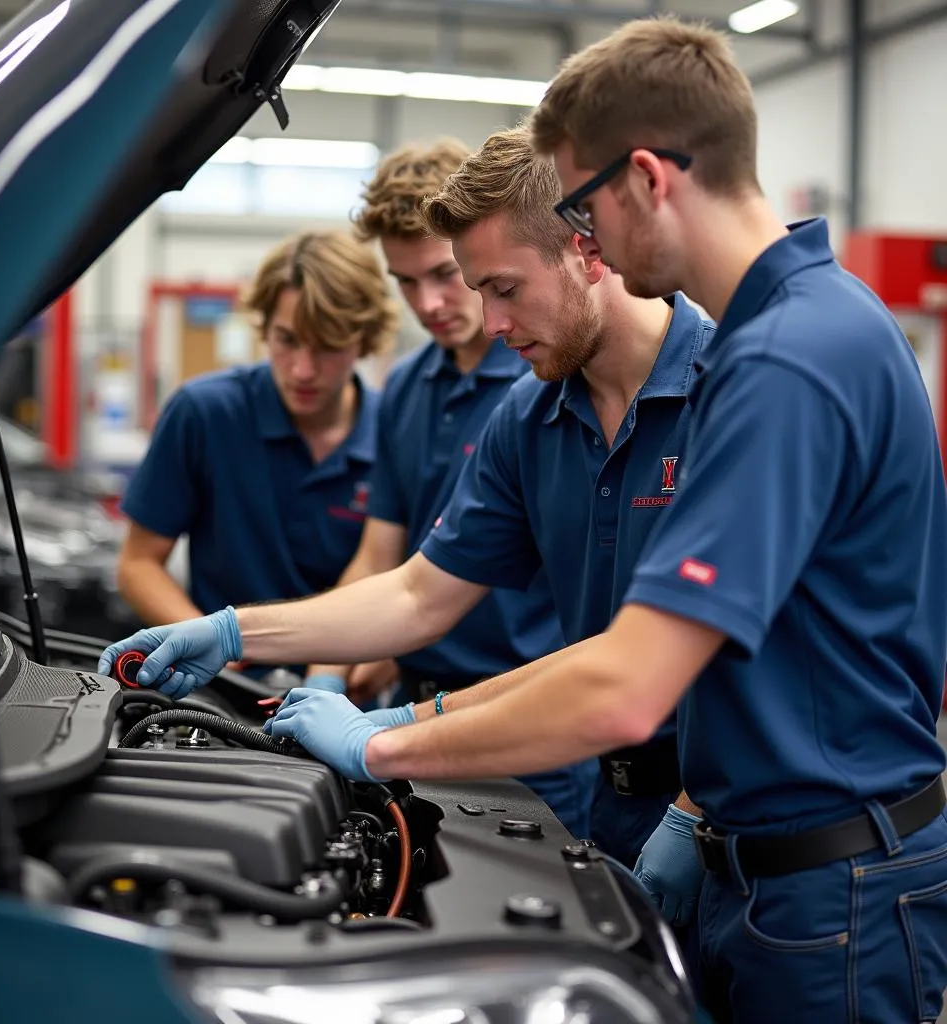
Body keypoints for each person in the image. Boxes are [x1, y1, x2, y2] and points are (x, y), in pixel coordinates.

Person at [189, 17, 944, 1024]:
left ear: (643, 181)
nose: (585, 239)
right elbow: (493, 611)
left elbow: (628, 684)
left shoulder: (779, 363)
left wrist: (382, 748)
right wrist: (251, 635)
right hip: (754, 870)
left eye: (583, 210)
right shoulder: (787, 337)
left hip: (824, 891)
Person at [98, 124, 713, 874]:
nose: (485, 322)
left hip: (750, 823)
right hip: (593, 787)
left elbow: (750, 649)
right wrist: (233, 633)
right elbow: (418, 591)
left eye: (501, 289)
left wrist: (696, 812)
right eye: (471, 288)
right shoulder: (530, 414)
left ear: (589, 251)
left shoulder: (735, 390)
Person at [297, 138, 596, 837]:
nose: (429, 304)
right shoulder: (405, 389)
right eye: (405, 283)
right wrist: (325, 672)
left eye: (443, 274)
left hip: (530, 728)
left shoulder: (549, 378)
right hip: (411, 717)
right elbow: (383, 561)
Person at [114, 229, 398, 675]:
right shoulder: (204, 414)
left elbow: (405, 581)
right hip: (223, 691)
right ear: (264, 326)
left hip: (346, 693)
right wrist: (211, 647)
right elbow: (137, 564)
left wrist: (375, 661)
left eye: (327, 346)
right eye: (287, 340)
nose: (303, 370)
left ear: (363, 340)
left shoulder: (396, 432)